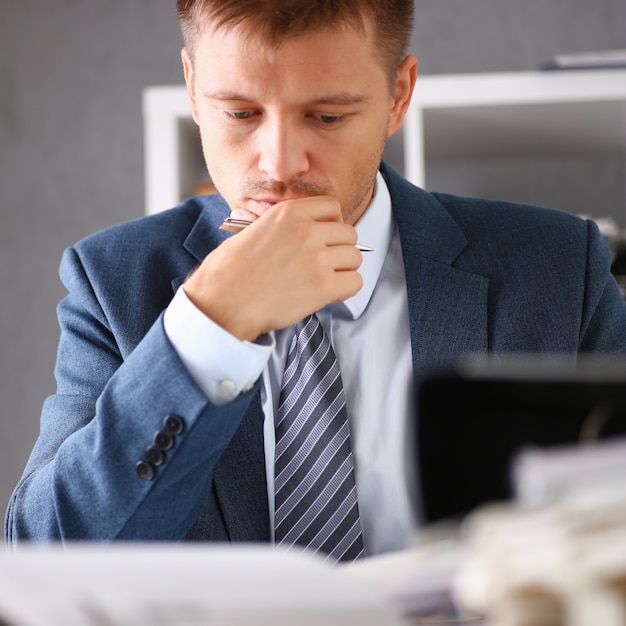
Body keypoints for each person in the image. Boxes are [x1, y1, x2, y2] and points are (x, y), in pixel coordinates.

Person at [5, 0, 626, 561]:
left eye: (326, 116)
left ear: (398, 95)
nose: (279, 165)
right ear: (193, 90)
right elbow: (42, 558)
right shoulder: (112, 283)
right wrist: (208, 327)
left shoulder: (560, 266)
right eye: (240, 112)